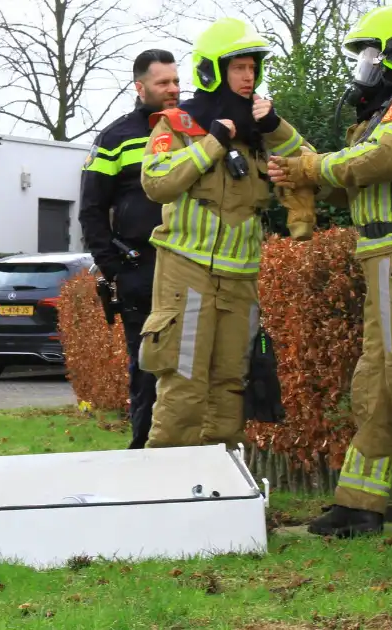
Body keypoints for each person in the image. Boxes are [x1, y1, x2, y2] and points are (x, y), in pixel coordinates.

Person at [267, 5, 392, 537]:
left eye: (371, 53)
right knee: (374, 383)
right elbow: (351, 177)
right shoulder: (385, 109)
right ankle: (360, 505)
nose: (365, 65)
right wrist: (297, 171)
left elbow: (378, 161)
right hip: (382, 251)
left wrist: (310, 166)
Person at [136, 18, 311, 449]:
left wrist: (277, 127)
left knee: (231, 385)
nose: (249, 76)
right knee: (184, 383)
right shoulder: (178, 123)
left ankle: (221, 492)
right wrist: (213, 142)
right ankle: (168, 490)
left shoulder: (261, 131)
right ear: (215, 70)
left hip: (241, 278)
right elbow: (157, 183)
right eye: (239, 67)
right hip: (187, 272)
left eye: (253, 68)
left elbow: (311, 165)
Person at [79, 49, 180, 449]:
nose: (173, 89)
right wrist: (114, 267)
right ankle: (143, 452)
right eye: (163, 83)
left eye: (176, 81)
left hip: (192, 264)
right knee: (147, 367)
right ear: (140, 88)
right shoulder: (115, 137)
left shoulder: (193, 127)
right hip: (141, 268)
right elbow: (90, 210)